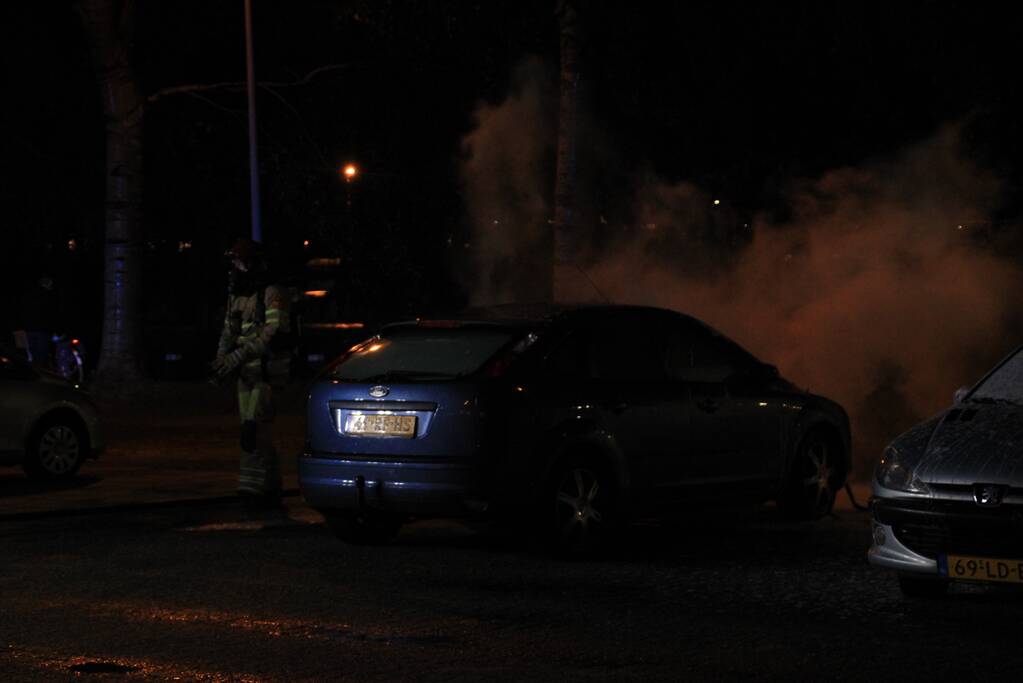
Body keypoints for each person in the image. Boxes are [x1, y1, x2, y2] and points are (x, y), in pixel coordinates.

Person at [211, 238, 292, 513]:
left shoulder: (272, 292)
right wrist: (221, 360)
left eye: (239, 261)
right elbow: (229, 330)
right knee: (250, 432)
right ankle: (265, 489)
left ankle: (255, 492)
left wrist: (237, 356)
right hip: (246, 373)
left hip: (268, 373)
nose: (236, 268)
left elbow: (272, 332)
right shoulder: (238, 294)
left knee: (254, 429)